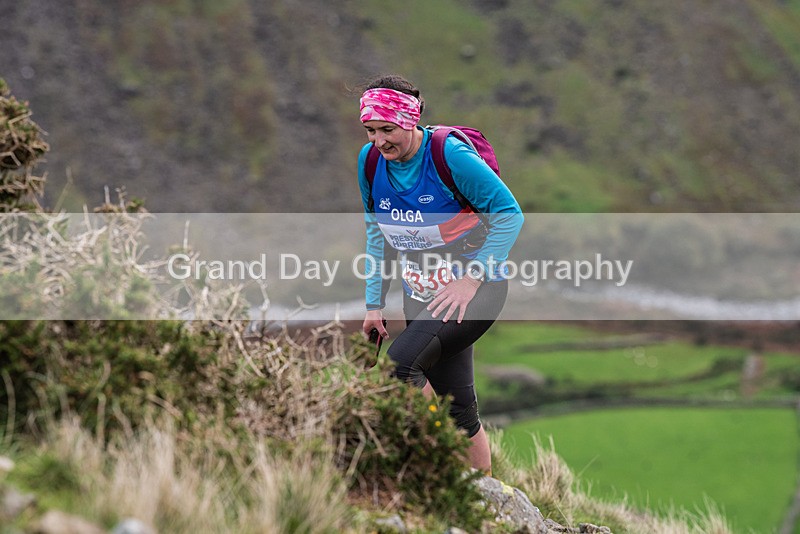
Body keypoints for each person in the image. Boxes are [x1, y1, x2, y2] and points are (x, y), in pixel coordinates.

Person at [357, 74, 523, 475]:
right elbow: (376, 231)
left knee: (400, 368)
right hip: (419, 291)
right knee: (459, 408)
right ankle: (481, 502)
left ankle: (438, 467)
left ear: (410, 119)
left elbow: (509, 214)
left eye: (388, 129)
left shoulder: (449, 156)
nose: (379, 140)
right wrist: (373, 304)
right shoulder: (370, 161)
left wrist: (471, 279)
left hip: (473, 290)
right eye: (370, 130)